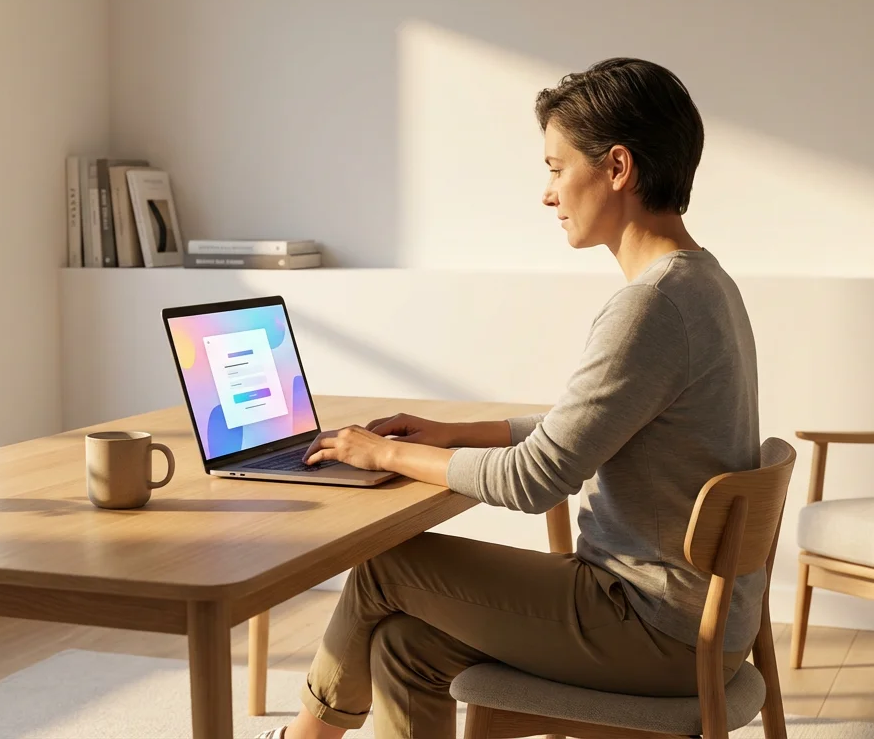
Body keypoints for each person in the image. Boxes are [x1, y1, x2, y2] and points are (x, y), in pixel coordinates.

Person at [257, 57, 760, 739]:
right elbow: (588, 430)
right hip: (689, 618)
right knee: (405, 648)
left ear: (617, 168)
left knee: (385, 564)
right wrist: (452, 434)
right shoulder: (703, 283)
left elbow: (535, 481)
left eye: (556, 168)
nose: (548, 194)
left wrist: (383, 453)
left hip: (649, 622)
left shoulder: (651, 308)